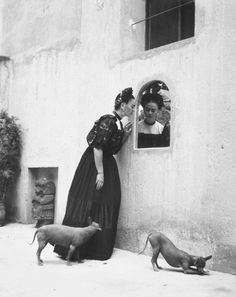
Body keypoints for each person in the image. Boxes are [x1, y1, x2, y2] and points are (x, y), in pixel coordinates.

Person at [54, 87, 135, 261]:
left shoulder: (118, 123)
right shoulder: (109, 120)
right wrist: (100, 173)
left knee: (105, 201)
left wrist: (125, 136)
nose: (133, 110)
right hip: (94, 165)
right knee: (89, 200)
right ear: (122, 105)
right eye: (132, 106)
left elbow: (112, 149)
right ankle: (74, 247)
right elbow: (97, 147)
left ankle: (94, 247)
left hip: (105, 163)